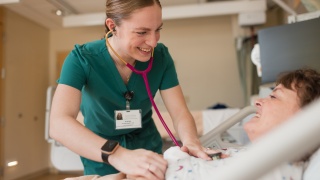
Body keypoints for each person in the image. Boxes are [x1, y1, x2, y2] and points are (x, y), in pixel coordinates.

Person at [49, 0, 211, 179]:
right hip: (102, 155)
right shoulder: (82, 59)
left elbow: (180, 113)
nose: (153, 42)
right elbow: (58, 124)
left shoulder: (161, 57)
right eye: (142, 32)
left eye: (158, 30)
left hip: (148, 150)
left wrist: (191, 141)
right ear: (112, 26)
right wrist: (118, 155)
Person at [163, 68, 320, 179]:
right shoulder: (261, 157)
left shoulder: (276, 167)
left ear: (304, 119)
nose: (258, 102)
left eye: (274, 97)